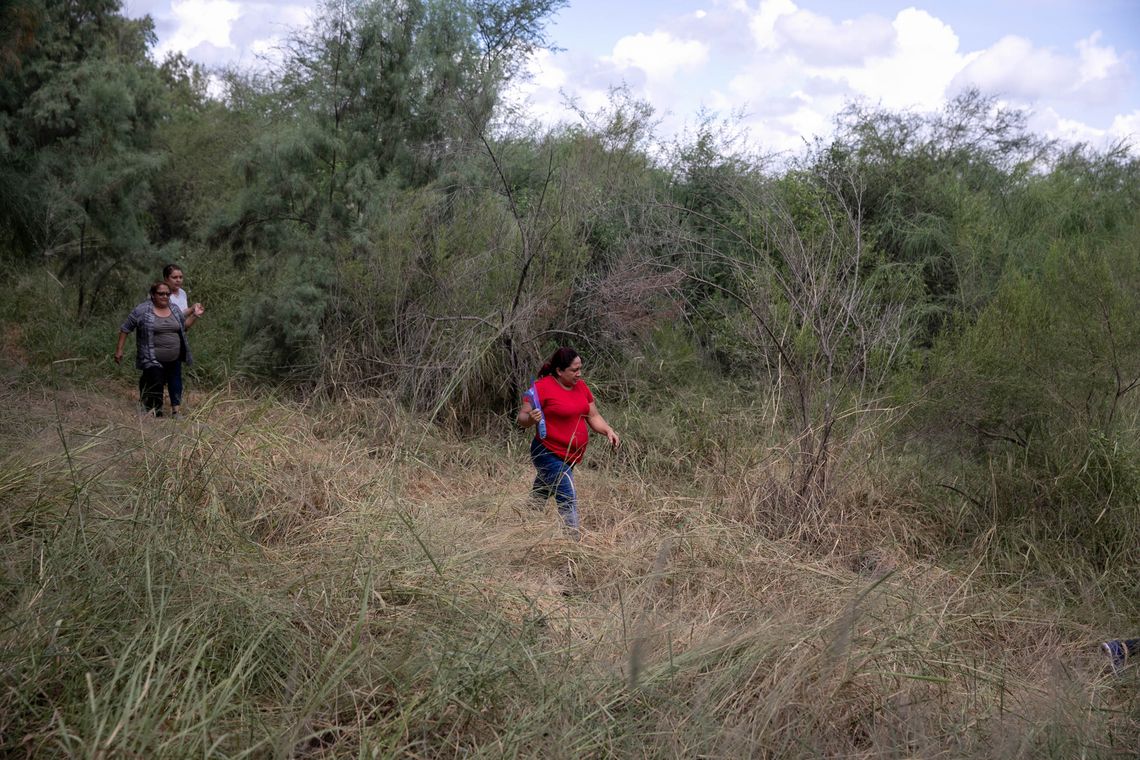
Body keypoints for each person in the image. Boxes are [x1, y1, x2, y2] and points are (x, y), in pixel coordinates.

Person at [517, 347, 620, 534]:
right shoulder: (541, 388)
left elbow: (593, 416)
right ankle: (572, 541)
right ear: (559, 370)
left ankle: (525, 524)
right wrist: (532, 418)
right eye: (574, 370)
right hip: (547, 452)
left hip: (570, 455)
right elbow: (522, 419)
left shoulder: (581, 387)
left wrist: (608, 431)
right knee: (567, 494)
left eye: (580, 368)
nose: (579, 374)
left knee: (542, 491)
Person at [114, 281, 204, 417]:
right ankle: (154, 410)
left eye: (167, 294)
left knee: (176, 382)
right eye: (161, 294)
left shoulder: (174, 309)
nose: (165, 297)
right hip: (151, 356)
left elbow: (183, 327)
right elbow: (125, 328)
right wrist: (119, 350)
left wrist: (194, 315)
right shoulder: (142, 310)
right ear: (152, 295)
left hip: (175, 355)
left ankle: (176, 411)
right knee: (156, 382)